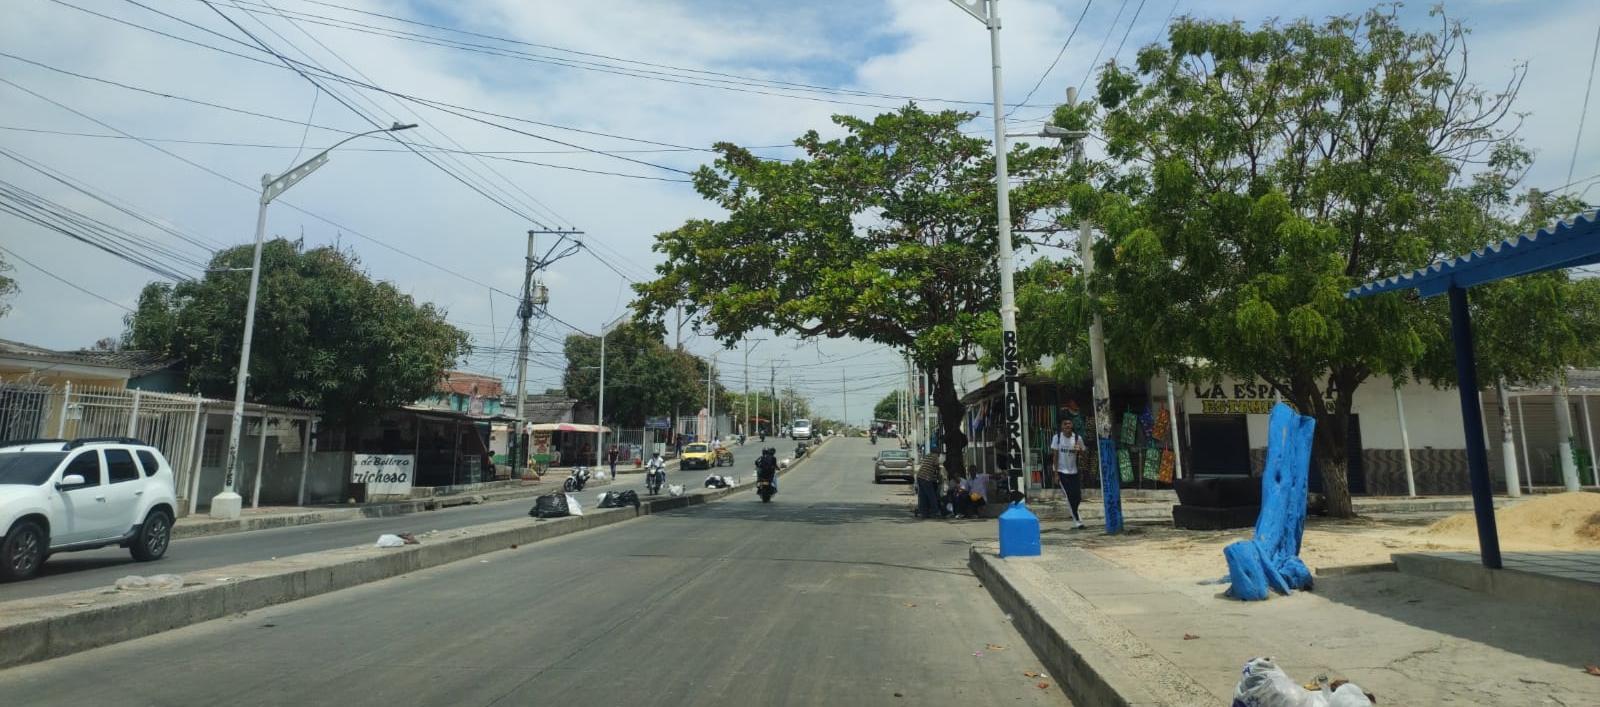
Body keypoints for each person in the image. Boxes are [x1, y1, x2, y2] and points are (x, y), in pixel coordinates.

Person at [1050, 418, 1088, 529]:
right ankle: (1078, 521)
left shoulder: (1077, 438)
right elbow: (1055, 456)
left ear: (1072, 425)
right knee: (1069, 496)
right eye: (1064, 423)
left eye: (1069, 423)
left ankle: (1076, 513)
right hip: (1062, 472)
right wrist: (1056, 473)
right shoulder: (1057, 438)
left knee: (1078, 497)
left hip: (1074, 472)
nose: (1067, 425)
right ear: (1062, 426)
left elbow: (1085, 455)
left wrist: (1080, 450)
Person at [913, 450, 943, 518]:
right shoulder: (935, 457)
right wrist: (939, 474)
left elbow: (928, 466)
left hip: (919, 476)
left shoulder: (927, 456)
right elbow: (936, 466)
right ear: (938, 453)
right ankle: (936, 512)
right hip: (926, 478)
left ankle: (923, 512)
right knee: (931, 495)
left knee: (922, 496)